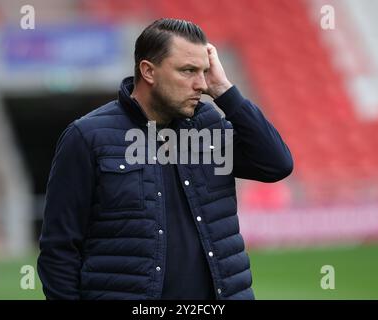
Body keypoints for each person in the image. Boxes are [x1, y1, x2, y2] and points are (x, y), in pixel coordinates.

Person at [37, 18, 293, 300]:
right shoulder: (87, 137)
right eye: (188, 71)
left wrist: (225, 91)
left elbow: (276, 164)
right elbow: (59, 250)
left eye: (204, 71)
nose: (200, 84)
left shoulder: (208, 125)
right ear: (148, 71)